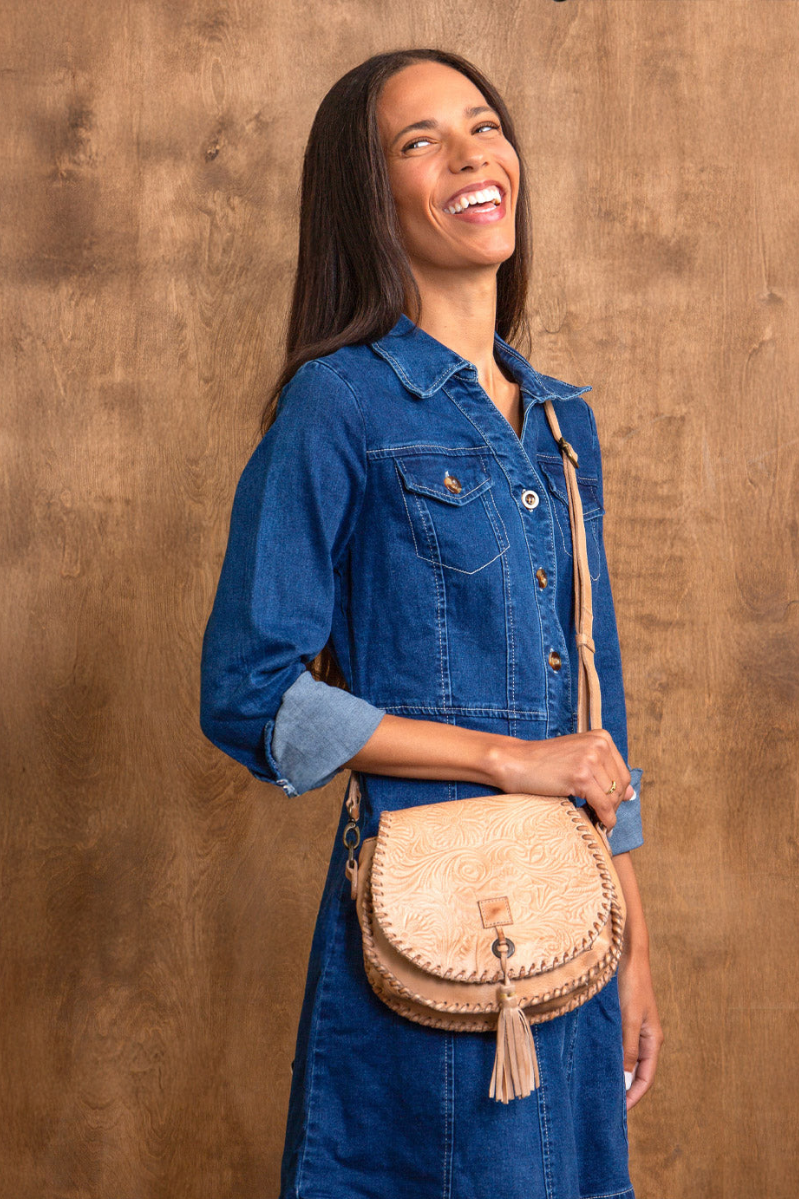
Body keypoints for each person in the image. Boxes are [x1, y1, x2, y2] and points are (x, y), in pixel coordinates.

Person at [200, 47, 664, 1199]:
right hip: (433, 931)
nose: (470, 156)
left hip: (572, 920)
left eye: (483, 125)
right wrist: (505, 758)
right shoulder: (337, 404)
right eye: (421, 142)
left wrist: (632, 940)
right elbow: (250, 690)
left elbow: (593, 704)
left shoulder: (560, 423)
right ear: (371, 197)